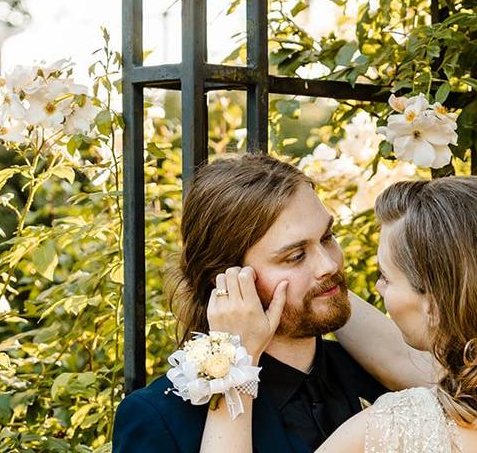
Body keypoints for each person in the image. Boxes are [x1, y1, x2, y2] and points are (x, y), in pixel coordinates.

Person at [200, 175, 477, 453]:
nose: (375, 288)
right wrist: (315, 289)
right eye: (295, 254)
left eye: (386, 277)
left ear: (435, 303)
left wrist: (233, 359)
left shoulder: (391, 427)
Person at [112, 154, 424, 453]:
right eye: (295, 256)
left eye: (328, 236)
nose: (329, 264)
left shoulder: (376, 367)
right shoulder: (160, 418)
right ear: (229, 280)